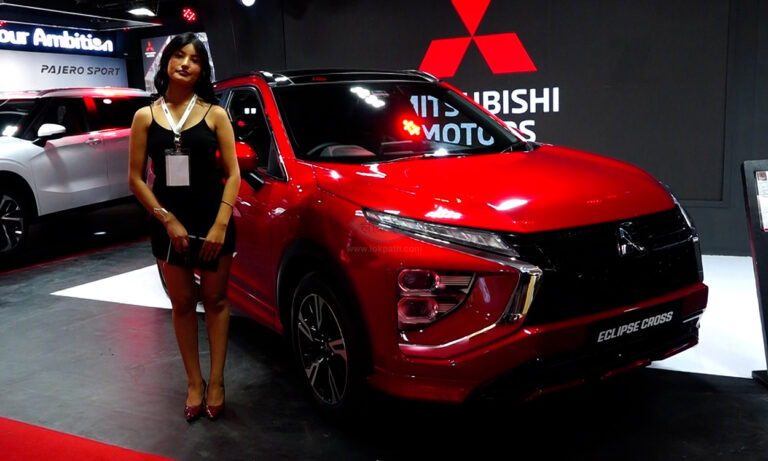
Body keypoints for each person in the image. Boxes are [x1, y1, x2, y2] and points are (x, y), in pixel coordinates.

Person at [128, 33, 240, 422]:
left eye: (194, 59)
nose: (186, 63)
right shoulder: (145, 116)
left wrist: (220, 224)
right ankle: (194, 381)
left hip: (213, 222)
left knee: (216, 301)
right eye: (179, 55)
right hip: (168, 224)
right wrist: (167, 219)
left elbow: (233, 173)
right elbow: (136, 179)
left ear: (201, 70)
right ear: (167, 62)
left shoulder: (215, 114)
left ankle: (217, 380)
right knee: (182, 304)